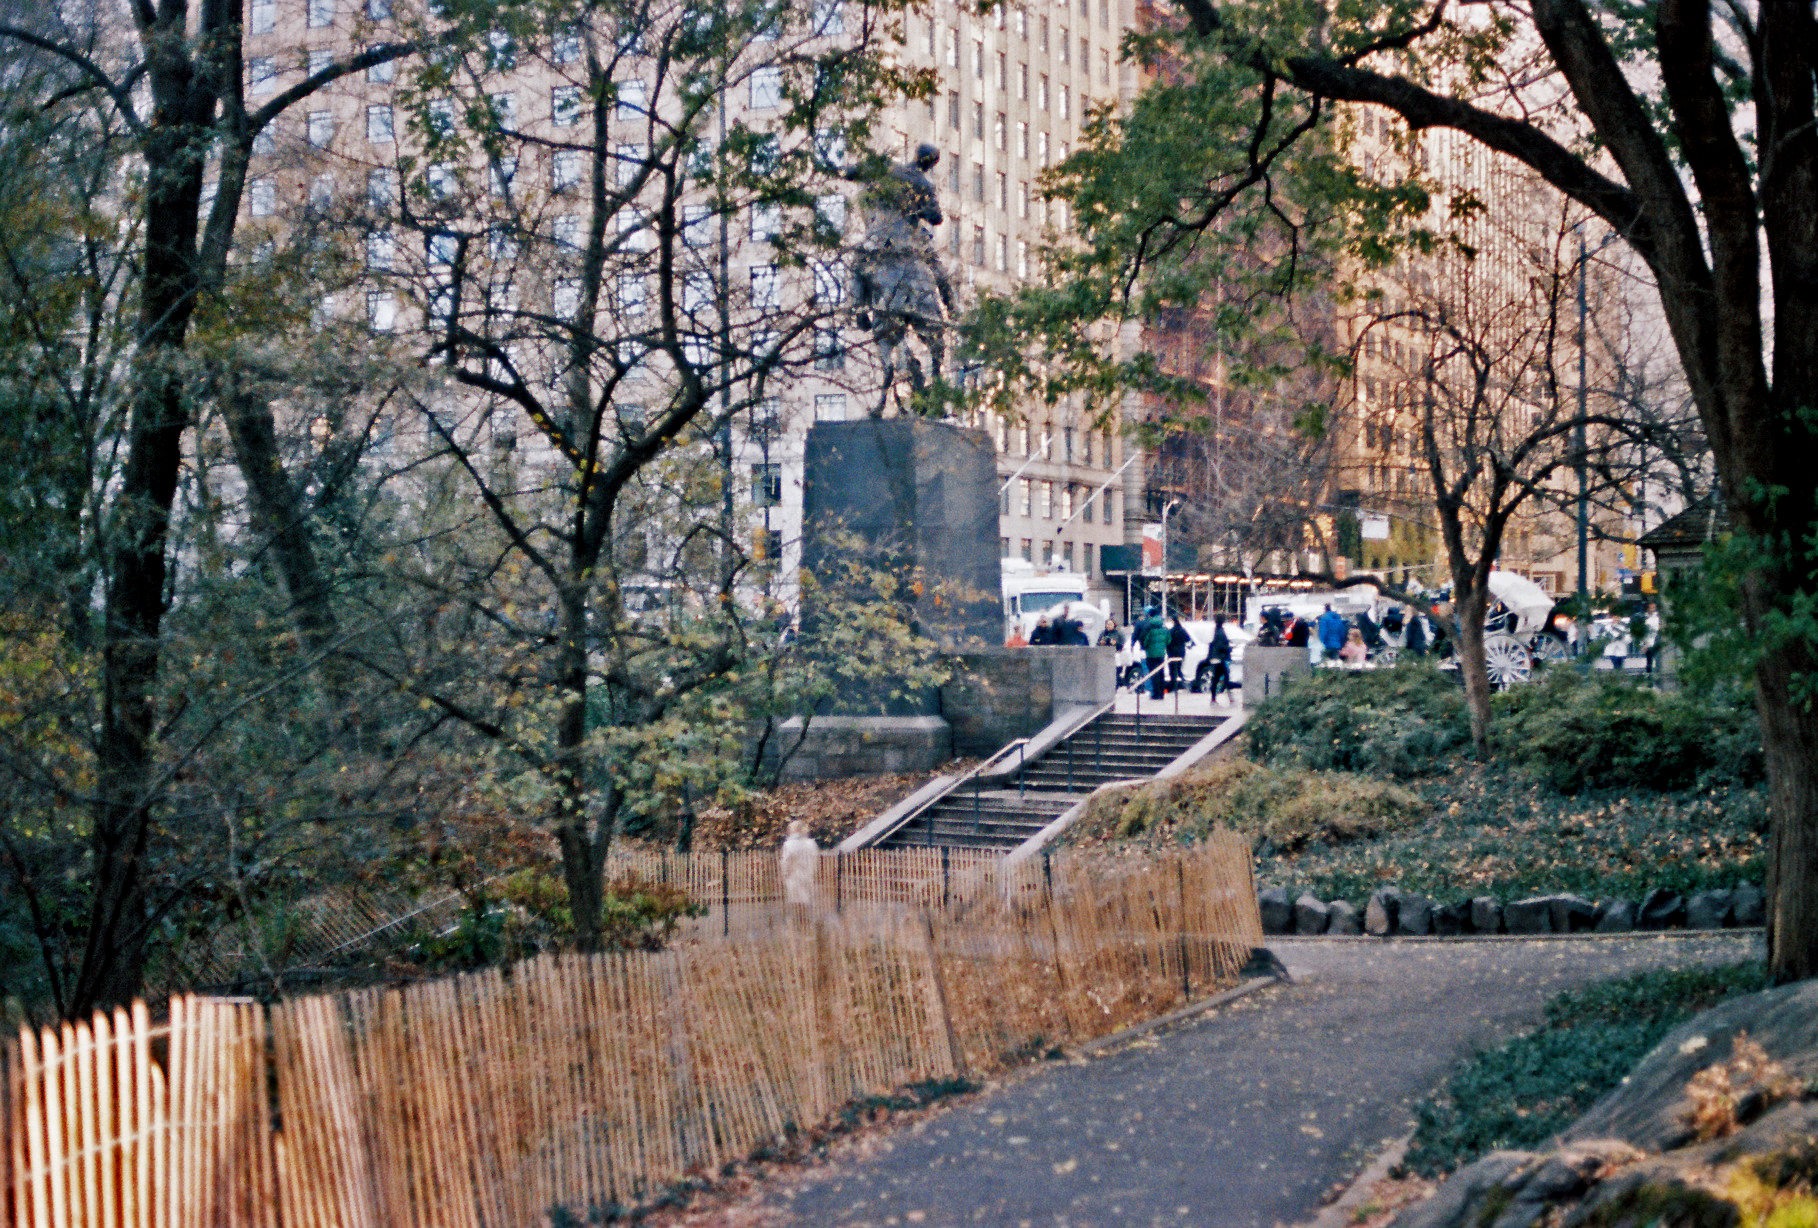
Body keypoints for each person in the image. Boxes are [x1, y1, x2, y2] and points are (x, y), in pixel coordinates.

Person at [780, 820, 819, 914]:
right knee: (807, 901)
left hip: (794, 876)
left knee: (796, 902)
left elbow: (786, 862)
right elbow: (815, 860)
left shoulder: (789, 844)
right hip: (808, 875)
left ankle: (797, 920)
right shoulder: (811, 844)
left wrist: (785, 874)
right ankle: (807, 920)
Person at [1139, 606, 1170, 698]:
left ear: (1149, 615)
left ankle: (1156, 693)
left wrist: (1145, 647)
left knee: (1153, 673)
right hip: (1161, 653)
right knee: (1161, 672)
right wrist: (1163, 646)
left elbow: (1143, 638)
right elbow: (1168, 639)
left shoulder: (1148, 625)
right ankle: (1161, 693)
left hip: (1150, 653)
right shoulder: (1163, 625)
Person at [1205, 613, 1233, 703]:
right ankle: (1229, 697)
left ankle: (1214, 698)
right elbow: (1221, 646)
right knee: (1225, 677)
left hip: (1215, 657)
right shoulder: (1220, 632)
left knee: (1216, 678)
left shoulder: (1216, 630)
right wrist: (1229, 648)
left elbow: (1213, 644)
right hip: (1220, 658)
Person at [1166, 616, 1193, 692]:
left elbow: (1167, 641)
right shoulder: (1182, 630)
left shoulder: (1171, 631)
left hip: (1172, 652)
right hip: (1181, 652)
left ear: (1173, 621)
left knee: (1172, 670)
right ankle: (1183, 684)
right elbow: (1188, 639)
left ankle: (1173, 685)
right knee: (1179, 668)